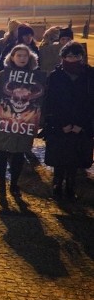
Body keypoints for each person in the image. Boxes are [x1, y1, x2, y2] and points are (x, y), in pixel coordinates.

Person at [0, 44, 46, 200]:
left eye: (25, 56)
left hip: (25, 123)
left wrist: (39, 120)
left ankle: (14, 184)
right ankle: (1, 183)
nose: (22, 58)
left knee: (19, 154)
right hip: (3, 121)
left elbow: (42, 101)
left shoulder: (37, 78)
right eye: (18, 55)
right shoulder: (2, 76)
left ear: (30, 58)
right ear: (12, 57)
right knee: (2, 152)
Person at [43, 42, 92, 200]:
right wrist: (59, 125)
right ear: (63, 57)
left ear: (82, 57)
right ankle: (57, 183)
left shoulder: (89, 76)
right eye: (69, 56)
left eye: (76, 56)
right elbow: (49, 102)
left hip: (81, 124)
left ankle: (71, 185)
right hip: (60, 124)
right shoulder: (55, 76)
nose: (72, 59)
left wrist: (83, 126)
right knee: (59, 156)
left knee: (75, 157)